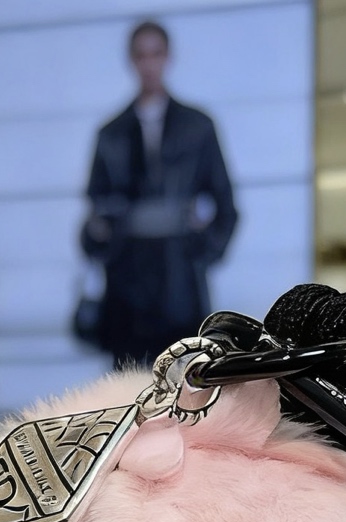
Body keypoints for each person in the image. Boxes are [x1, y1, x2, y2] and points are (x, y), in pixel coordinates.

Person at [80, 20, 238, 367]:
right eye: (141, 55)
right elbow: (94, 212)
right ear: (131, 60)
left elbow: (226, 206)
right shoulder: (111, 134)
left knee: (188, 382)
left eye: (156, 54)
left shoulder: (197, 127)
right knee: (129, 388)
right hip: (126, 288)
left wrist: (203, 250)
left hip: (181, 283)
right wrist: (104, 235)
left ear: (168, 57)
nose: (149, 64)